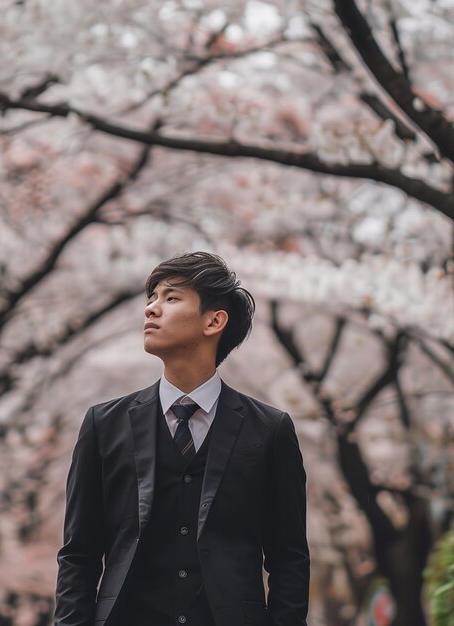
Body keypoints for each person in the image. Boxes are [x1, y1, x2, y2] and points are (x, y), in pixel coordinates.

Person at [54, 251, 309, 626]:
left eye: (171, 298)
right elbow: (79, 554)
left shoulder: (270, 430)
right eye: (152, 298)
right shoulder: (104, 424)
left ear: (214, 321)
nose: (151, 309)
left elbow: (289, 559)